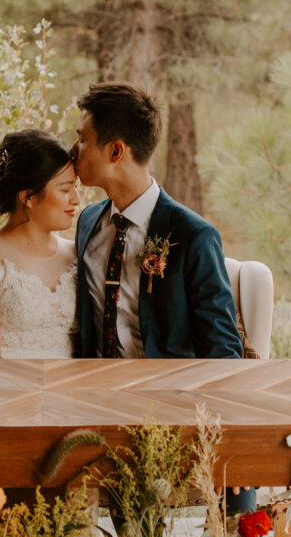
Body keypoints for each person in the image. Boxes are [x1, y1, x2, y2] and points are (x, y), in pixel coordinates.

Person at [70, 83, 243, 361]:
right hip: (93, 382)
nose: (72, 150)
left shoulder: (193, 235)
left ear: (116, 152)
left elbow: (222, 349)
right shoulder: (88, 222)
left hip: (167, 385)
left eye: (82, 140)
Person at [0, 129, 81, 359]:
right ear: (27, 197)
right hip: (1, 379)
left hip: (71, 379)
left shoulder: (77, 254)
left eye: (76, 188)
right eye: (65, 189)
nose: (76, 199)